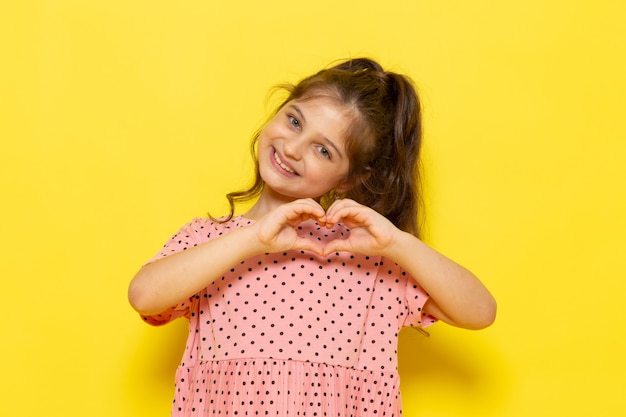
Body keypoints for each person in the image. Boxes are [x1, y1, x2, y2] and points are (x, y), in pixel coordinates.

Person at [128, 58, 496, 417]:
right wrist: (253, 239)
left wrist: (397, 244)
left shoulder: (369, 257)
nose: (292, 148)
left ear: (350, 179)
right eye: (294, 121)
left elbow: (480, 312)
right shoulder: (212, 240)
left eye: (323, 150)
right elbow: (144, 296)